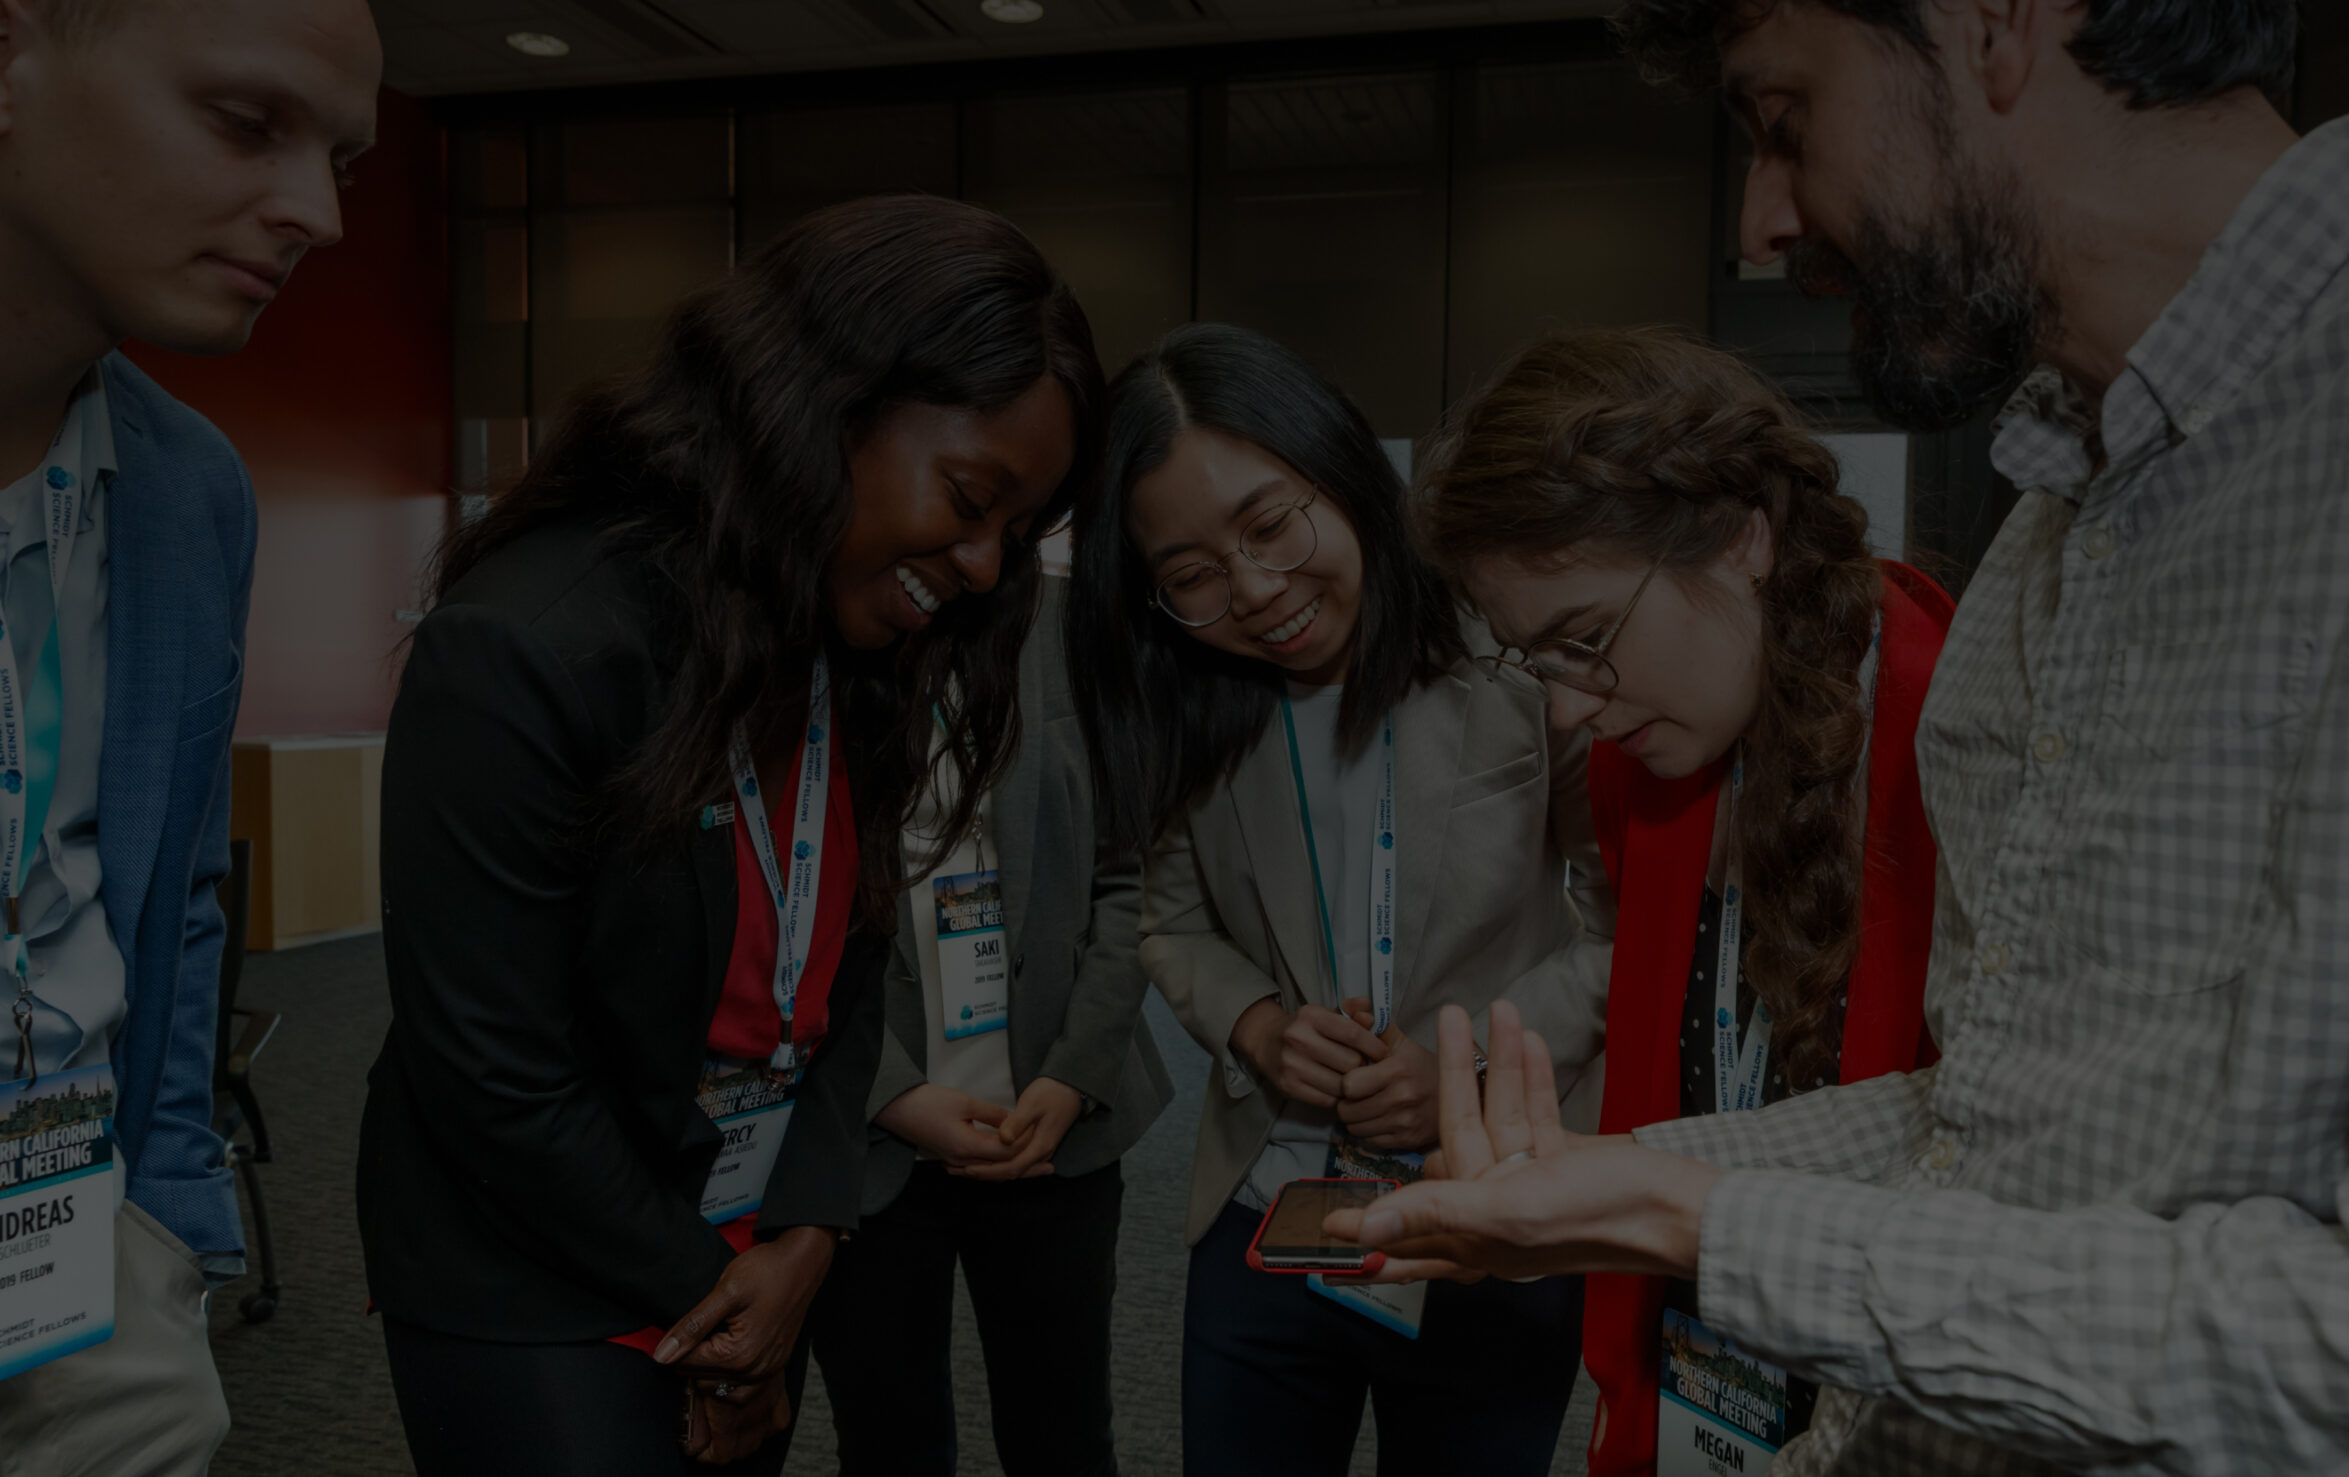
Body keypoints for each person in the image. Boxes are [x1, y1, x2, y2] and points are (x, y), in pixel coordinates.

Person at [1331, 0, 2349, 1473]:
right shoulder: (2052, 540)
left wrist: (1693, 1217)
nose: (1765, 218)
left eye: (1784, 122)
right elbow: (1988, 1127)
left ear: (1995, 21)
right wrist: (1616, 1175)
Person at [357, 195, 1104, 1477]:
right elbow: (495, 1072)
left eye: (1018, 530)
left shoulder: (850, 644)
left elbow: (852, 969)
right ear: (827, 402)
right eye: (972, 497)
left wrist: (809, 1230)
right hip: (539, 1263)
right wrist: (725, 1293)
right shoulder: (530, 644)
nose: (986, 565)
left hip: (749, 1238)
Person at [1066, 322, 1615, 1477]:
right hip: (1268, 1203)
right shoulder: (1193, 703)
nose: (1256, 592)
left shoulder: (1515, 658)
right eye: (1192, 576)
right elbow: (1165, 913)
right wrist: (1258, 1023)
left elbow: (1624, 927)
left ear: (1344, 466)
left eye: (1271, 524)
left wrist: (1464, 1071)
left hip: (1486, 1208)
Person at [1411, 325, 1953, 1477]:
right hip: (1695, 1362)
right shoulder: (1637, 754)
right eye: (1536, 661)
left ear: (1741, 534)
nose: (1568, 712)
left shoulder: (1954, 729)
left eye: (1586, 640)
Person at [0, 0, 379, 1469]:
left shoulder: (188, 488)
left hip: (84, 1273)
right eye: (246, 121)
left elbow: (173, 894)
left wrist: (164, 1211)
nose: (322, 214)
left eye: (340, 155)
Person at [806, 573, 1171, 1477]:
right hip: (867, 1133)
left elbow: (1131, 879)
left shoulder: (1078, 627)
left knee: (1063, 1435)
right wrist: (889, 1091)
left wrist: (1077, 1071)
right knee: (888, 1440)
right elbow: (781, 907)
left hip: (1054, 1126)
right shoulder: (822, 628)